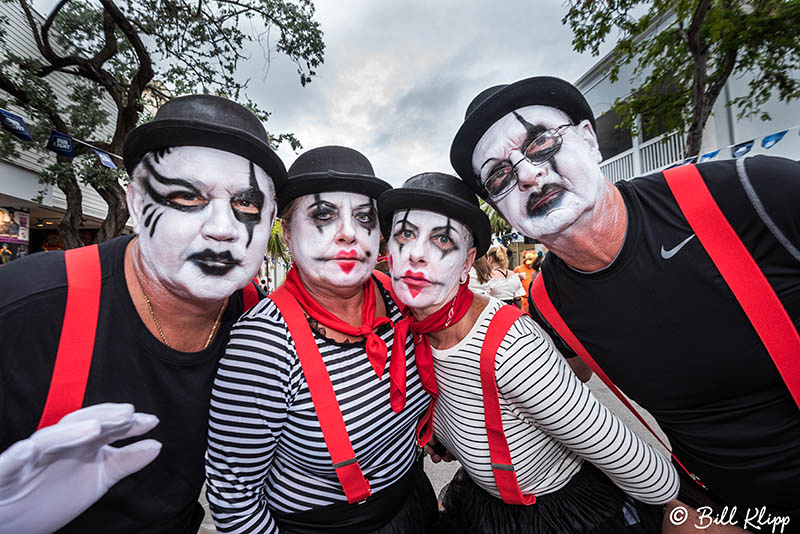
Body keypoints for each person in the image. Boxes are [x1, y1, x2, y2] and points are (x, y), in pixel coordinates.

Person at [450, 75, 800, 531]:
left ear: (590, 141)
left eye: (540, 142)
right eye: (499, 174)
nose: (527, 174)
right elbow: (549, 390)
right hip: (719, 510)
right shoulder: (548, 300)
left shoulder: (747, 193)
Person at [0, 94, 284, 533]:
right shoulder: (24, 306)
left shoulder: (260, 323)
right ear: (135, 202)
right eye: (188, 196)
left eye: (247, 205)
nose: (223, 228)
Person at [379, 172, 678, 533]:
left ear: (466, 262)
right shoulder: (408, 333)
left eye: (442, 238)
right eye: (405, 234)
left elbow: (625, 455)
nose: (415, 253)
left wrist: (682, 512)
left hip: (557, 517)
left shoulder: (511, 346)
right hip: (483, 505)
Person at [205, 146, 438, 534]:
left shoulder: (403, 300)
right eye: (323, 215)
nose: (348, 231)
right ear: (287, 232)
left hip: (415, 501)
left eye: (364, 217)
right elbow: (235, 498)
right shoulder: (262, 346)